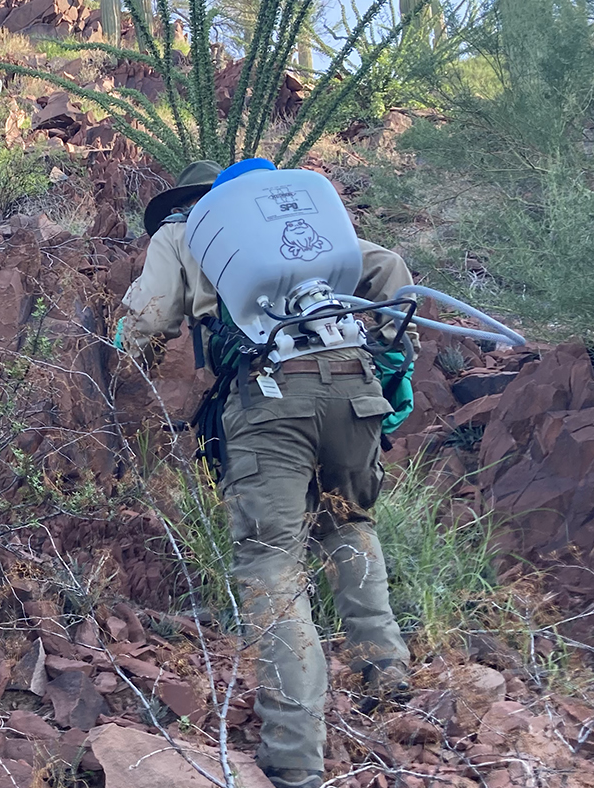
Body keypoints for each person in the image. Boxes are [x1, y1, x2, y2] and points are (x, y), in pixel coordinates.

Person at [116, 159, 417, 788]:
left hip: (270, 394)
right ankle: (384, 669)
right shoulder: (292, 227)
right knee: (347, 523)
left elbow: (150, 315)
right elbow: (387, 268)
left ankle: (294, 753)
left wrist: (122, 356)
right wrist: (387, 349)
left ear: (196, 199)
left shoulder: (184, 231)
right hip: (356, 385)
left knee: (272, 563)